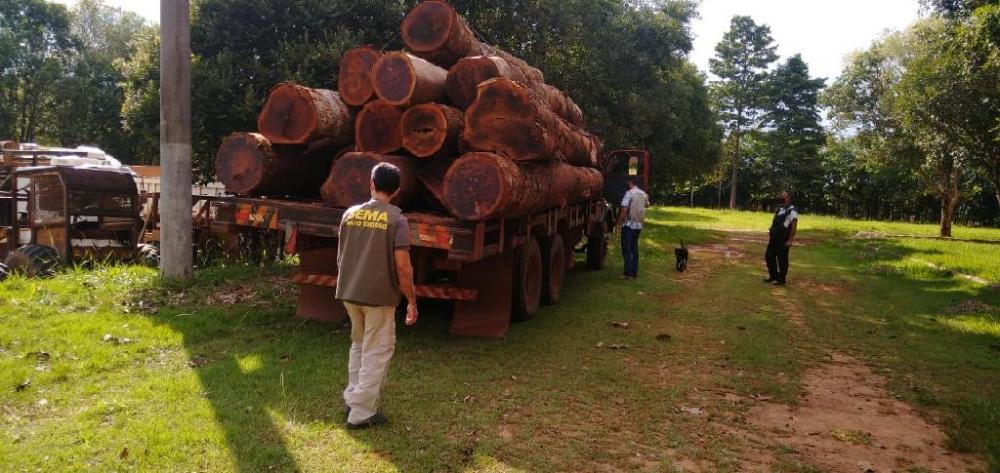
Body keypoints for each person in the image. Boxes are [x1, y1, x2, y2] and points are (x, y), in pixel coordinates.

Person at [336, 163, 418, 430]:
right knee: (376, 350)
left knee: (359, 345)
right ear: (397, 190)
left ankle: (353, 398)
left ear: (371, 183)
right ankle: (361, 414)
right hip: (379, 296)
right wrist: (411, 301)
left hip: (350, 291)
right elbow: (403, 267)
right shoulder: (397, 220)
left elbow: (342, 256)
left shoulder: (349, 214)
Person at [617, 178, 649, 279]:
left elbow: (624, 209)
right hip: (639, 225)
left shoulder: (629, 193)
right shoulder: (643, 194)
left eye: (628, 183)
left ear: (631, 183)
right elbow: (647, 204)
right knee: (634, 248)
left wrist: (619, 222)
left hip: (628, 225)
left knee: (626, 249)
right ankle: (634, 272)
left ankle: (628, 273)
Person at [764, 190, 798, 286]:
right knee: (769, 256)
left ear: (789, 198)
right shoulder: (780, 208)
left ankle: (781, 280)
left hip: (783, 239)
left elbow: (794, 225)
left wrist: (790, 240)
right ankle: (773, 276)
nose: (781, 197)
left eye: (783, 196)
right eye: (781, 196)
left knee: (782, 260)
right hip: (774, 238)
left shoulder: (792, 210)